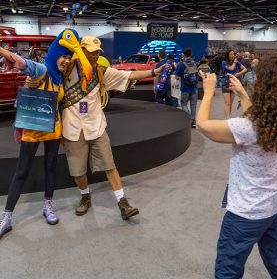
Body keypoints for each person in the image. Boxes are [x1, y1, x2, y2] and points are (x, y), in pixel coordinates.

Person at [60, 36, 165, 220]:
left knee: (110, 165)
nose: (94, 56)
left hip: (97, 127)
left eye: (97, 53)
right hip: (72, 128)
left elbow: (129, 75)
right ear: (81, 50)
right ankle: (85, 197)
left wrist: (153, 72)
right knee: (78, 171)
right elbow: (44, 76)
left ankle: (123, 202)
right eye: (91, 52)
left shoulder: (101, 72)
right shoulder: (67, 69)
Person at [197, 55, 277, 279]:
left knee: (228, 269)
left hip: (245, 214)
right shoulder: (270, 123)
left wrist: (207, 91)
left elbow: (204, 126)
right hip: (274, 208)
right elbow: (266, 122)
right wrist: (243, 95)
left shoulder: (246, 128)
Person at [0, 29, 80, 239]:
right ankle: (7, 216)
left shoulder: (60, 79)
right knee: (21, 171)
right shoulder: (42, 70)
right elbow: (20, 62)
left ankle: (48, 205)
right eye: (63, 55)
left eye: (68, 57)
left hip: (53, 129)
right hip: (33, 129)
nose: (66, 60)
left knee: (51, 167)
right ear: (55, 54)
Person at [175, 48, 199, 128]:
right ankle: (193, 122)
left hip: (185, 88)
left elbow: (177, 77)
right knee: (193, 105)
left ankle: (189, 119)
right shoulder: (195, 63)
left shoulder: (181, 64)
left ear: (184, 54)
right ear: (191, 54)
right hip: (194, 88)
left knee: (184, 104)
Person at [221, 50, 247, 118]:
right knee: (227, 103)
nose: (233, 55)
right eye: (231, 54)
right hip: (225, 83)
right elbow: (231, 68)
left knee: (231, 103)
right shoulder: (224, 62)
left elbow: (245, 69)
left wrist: (239, 73)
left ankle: (228, 118)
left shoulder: (236, 62)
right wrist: (235, 63)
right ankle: (227, 119)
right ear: (227, 55)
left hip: (233, 84)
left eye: (233, 54)